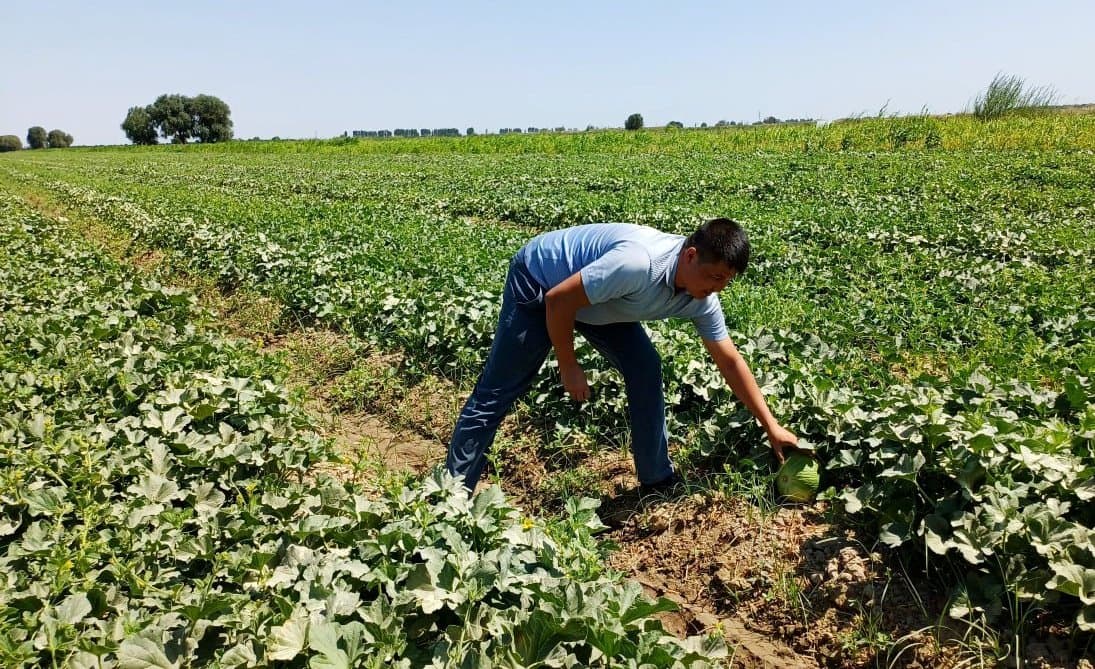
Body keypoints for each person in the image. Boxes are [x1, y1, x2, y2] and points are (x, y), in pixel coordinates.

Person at [446, 218, 798, 493]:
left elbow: (730, 361)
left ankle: (656, 477)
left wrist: (771, 426)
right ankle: (453, 492)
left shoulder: (702, 297)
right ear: (691, 256)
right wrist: (568, 365)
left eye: (726, 282)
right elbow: (559, 300)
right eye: (714, 277)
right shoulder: (636, 265)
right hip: (542, 283)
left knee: (645, 367)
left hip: (600, 299)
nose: (716, 289)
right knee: (499, 390)